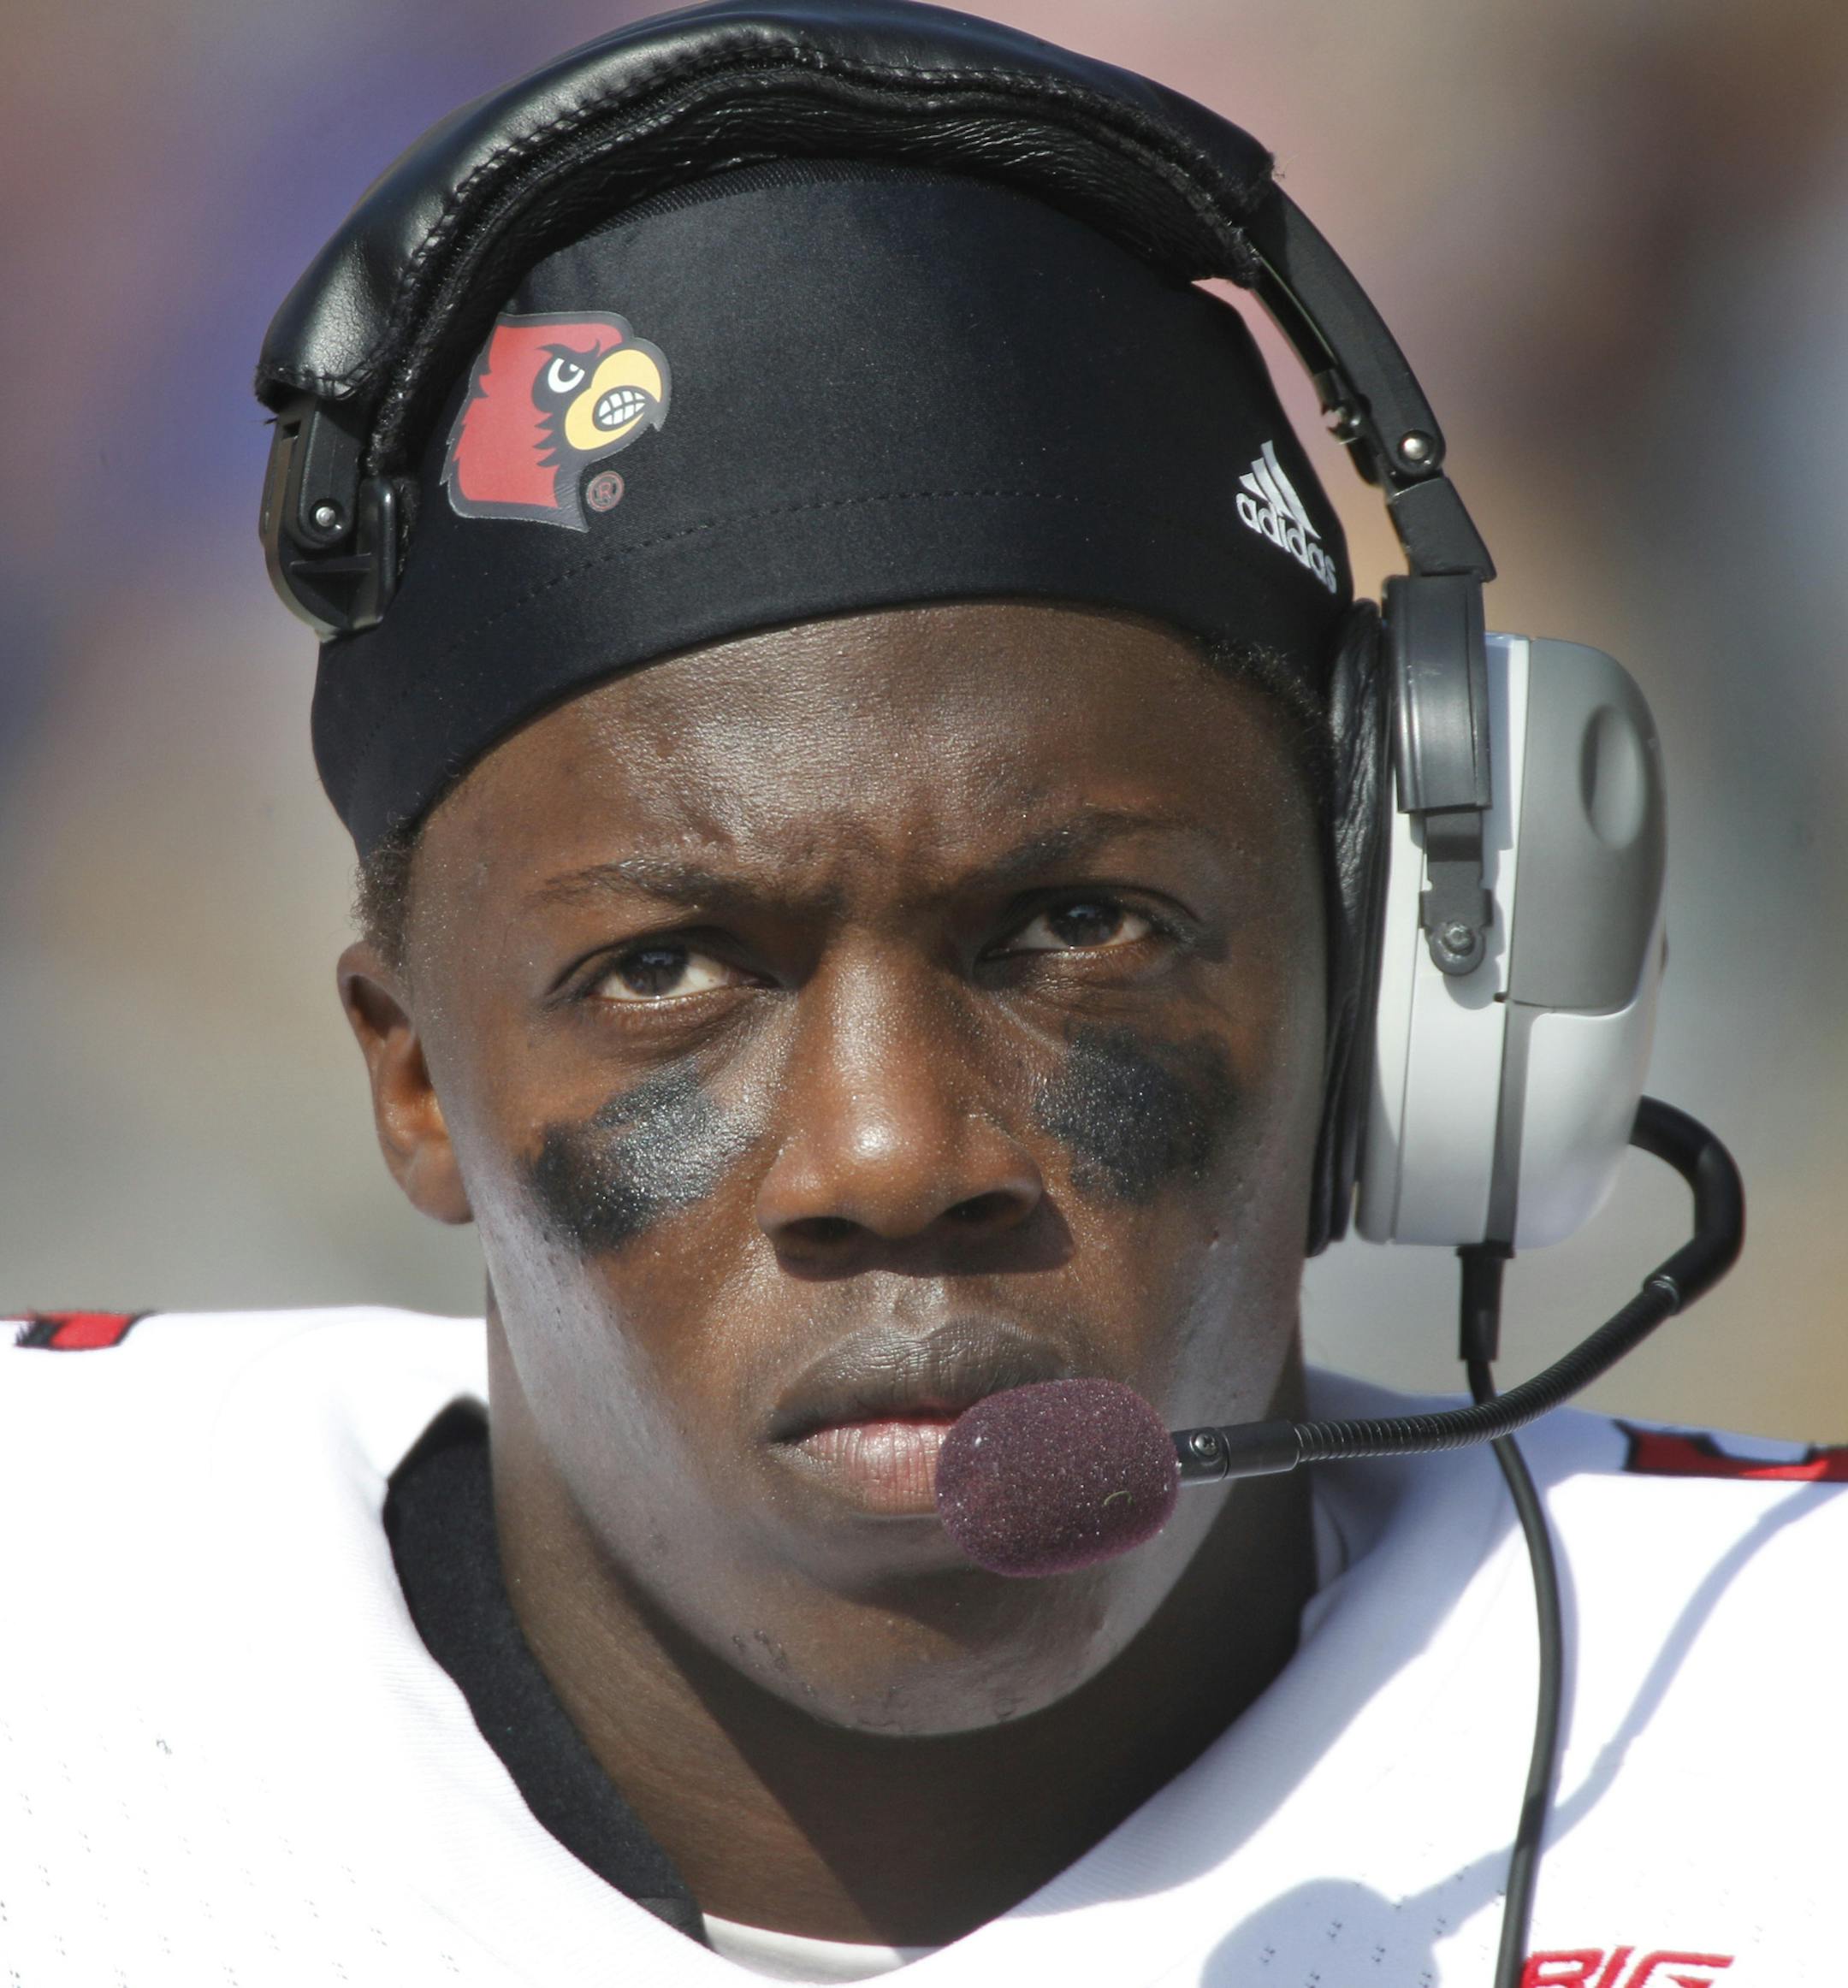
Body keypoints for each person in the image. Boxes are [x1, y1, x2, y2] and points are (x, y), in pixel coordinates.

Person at [3, 5, 1843, 1985]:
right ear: (418, 1078)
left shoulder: (1775, 1730)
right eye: (670, 967)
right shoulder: (60, 1623)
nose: (892, 1154)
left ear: (1393, 985)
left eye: (1076, 930)